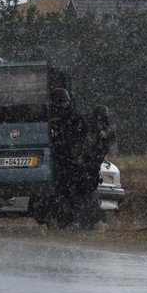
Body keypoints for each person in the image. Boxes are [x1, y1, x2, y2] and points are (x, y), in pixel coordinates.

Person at [46, 88, 90, 229]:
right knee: (62, 192)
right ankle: (64, 220)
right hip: (59, 160)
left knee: (72, 192)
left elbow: (83, 136)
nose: (61, 106)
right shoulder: (54, 117)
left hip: (70, 161)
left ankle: (74, 220)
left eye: (63, 103)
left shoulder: (74, 117)